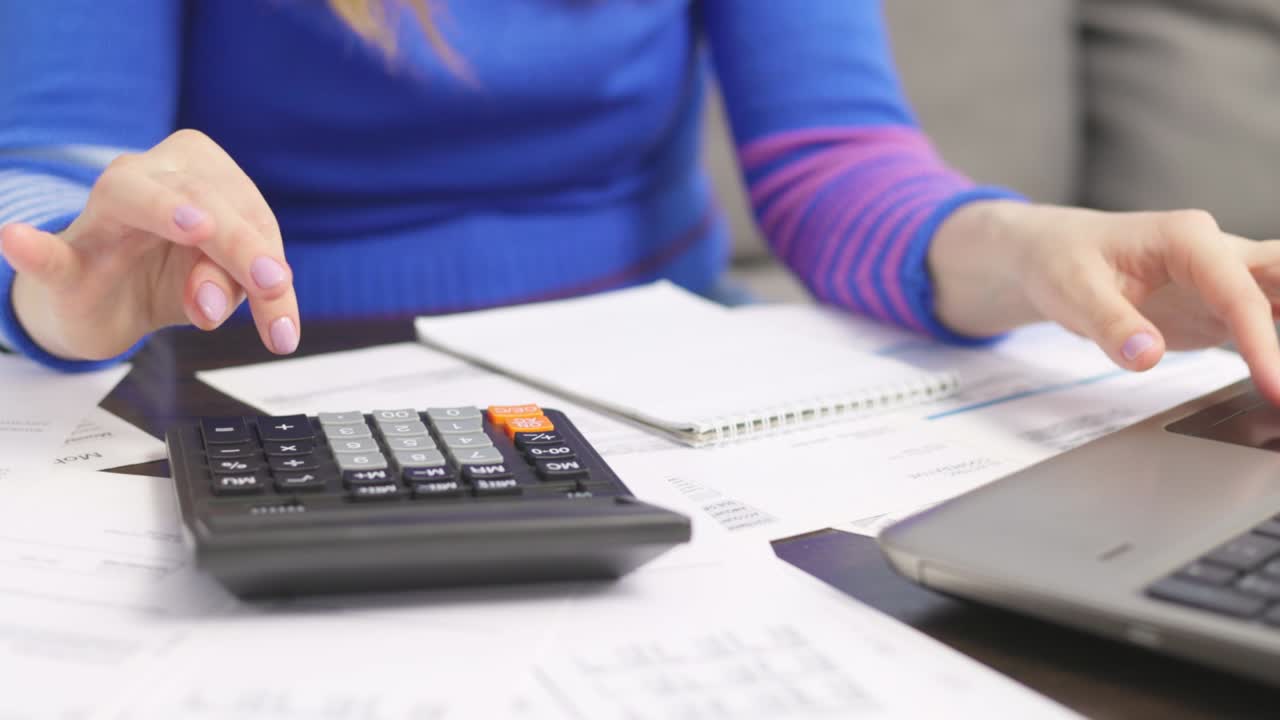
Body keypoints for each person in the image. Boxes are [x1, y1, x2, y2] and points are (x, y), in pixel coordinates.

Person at [3, 1, 1279, 402]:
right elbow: (51, 168)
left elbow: (838, 166)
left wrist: (1034, 246)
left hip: (654, 400)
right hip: (260, 402)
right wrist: (69, 287)